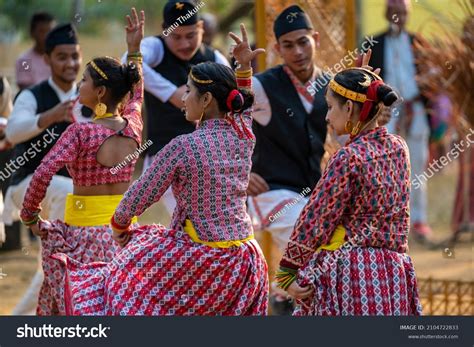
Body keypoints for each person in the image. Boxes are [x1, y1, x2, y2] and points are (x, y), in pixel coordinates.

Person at [58, 24, 268, 316]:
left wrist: (120, 226)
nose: (183, 97)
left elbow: (140, 195)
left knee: (123, 280)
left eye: (189, 91)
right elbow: (243, 105)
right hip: (246, 263)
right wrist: (243, 68)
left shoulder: (181, 147)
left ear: (206, 100)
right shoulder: (244, 134)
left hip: (205, 260)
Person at [18, 8, 145, 315]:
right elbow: (137, 92)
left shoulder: (79, 133)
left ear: (100, 92)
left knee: (81, 309)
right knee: (120, 305)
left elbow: (43, 172)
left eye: (85, 81)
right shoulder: (134, 124)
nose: (80, 84)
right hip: (125, 235)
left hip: (83, 236)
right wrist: (134, 51)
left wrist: (30, 215)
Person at [276, 64, 422, 316]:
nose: (327, 117)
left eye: (331, 107)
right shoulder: (400, 148)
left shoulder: (347, 158)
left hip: (353, 275)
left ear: (349, 108)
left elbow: (317, 217)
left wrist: (288, 270)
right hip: (393, 273)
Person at [245, 5, 328, 314]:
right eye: (288, 45)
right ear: (277, 48)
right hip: (269, 191)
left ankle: (281, 297)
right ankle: (283, 298)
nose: (298, 51)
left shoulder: (331, 87)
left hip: (312, 194)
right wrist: (242, 174)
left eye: (303, 41)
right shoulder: (261, 86)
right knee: (305, 237)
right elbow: (215, 125)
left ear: (315, 40)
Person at [125, 0, 230, 217]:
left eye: (191, 36)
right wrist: (172, 93)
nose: (184, 44)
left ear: (201, 28)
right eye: (176, 37)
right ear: (165, 32)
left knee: (199, 220)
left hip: (207, 158)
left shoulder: (215, 59)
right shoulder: (155, 48)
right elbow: (128, 62)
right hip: (163, 154)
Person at [5, 23, 82, 315]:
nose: (70, 63)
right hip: (27, 188)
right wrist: (51, 116)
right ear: (47, 59)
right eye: (62, 57)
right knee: (67, 191)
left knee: (56, 263)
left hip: (73, 198)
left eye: (75, 56)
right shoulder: (33, 96)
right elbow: (13, 132)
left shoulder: (89, 98)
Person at [367, 0, 432, 242]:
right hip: (387, 112)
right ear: (388, 14)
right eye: (395, 13)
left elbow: (430, 80)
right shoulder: (375, 42)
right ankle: (388, 220)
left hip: (415, 111)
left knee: (418, 166)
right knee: (385, 167)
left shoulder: (419, 43)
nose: (400, 17)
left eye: (404, 13)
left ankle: (419, 220)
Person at [15, 12, 56, 90]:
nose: (47, 36)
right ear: (32, 33)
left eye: (50, 31)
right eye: (42, 31)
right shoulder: (25, 60)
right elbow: (25, 89)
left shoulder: (59, 58)